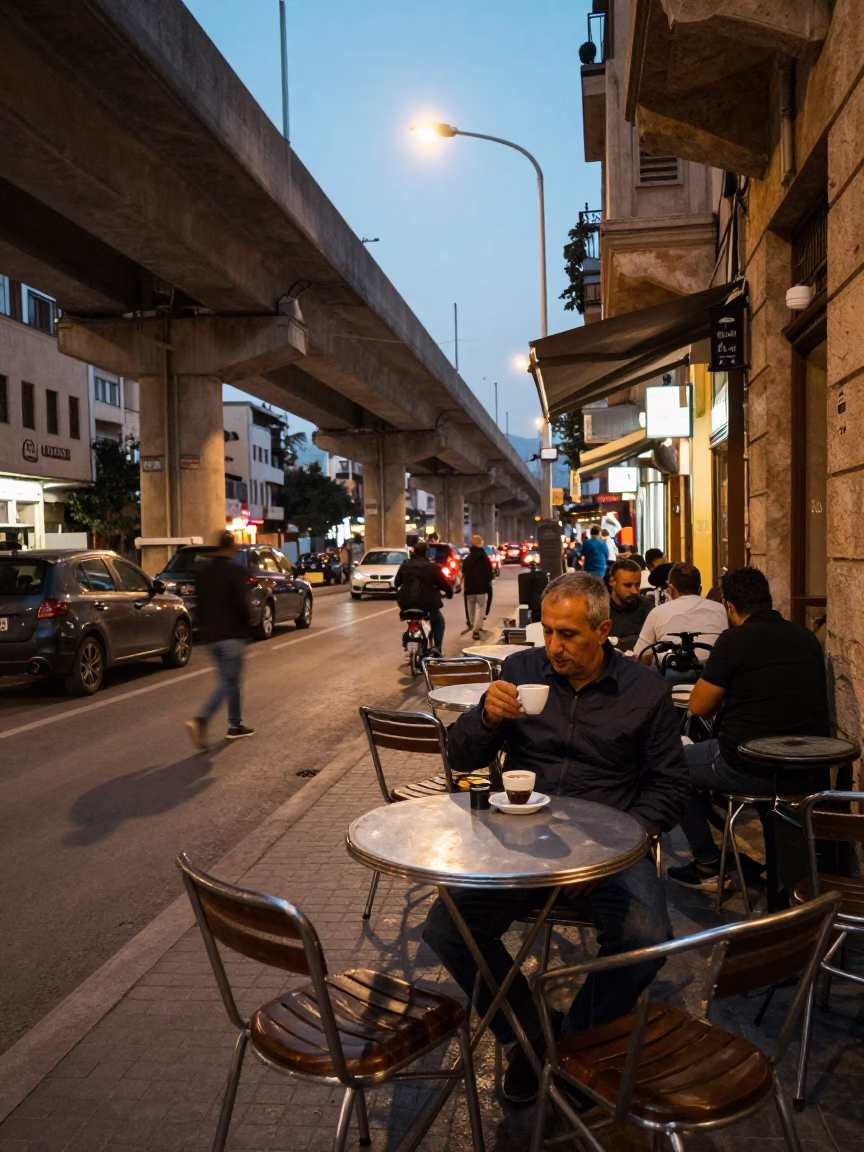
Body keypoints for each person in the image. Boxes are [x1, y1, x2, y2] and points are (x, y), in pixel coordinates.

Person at [423, 571, 690, 1106]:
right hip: (518, 838)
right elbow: (460, 757)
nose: (554, 647)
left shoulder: (644, 692)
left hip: (609, 845)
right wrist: (485, 717)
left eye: (568, 634)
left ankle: (575, 1042)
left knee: (645, 939)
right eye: (547, 632)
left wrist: (608, 854)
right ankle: (529, 1034)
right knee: (447, 927)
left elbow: (669, 786)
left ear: (603, 630)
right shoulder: (520, 671)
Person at [667, 567, 831, 892]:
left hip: (750, 766)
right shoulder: (805, 637)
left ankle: (708, 864)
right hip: (804, 768)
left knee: (672, 765)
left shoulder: (735, 640)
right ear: (767, 599)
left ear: (730, 606)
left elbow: (699, 706)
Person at [186, 531, 254, 749]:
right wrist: (246, 628)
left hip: (211, 636)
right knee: (229, 682)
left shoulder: (203, 571)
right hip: (231, 635)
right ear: (231, 548)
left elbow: (199, 603)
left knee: (229, 680)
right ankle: (201, 720)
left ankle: (235, 725)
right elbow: (240, 604)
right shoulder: (236, 570)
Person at [634, 562, 728, 661]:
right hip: (714, 673)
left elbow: (640, 655)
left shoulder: (658, 612)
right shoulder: (720, 609)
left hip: (670, 673)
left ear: (671, 590)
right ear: (700, 589)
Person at [394, 539, 453, 653]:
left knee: (412, 618)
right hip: (427, 605)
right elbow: (443, 584)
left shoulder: (405, 565)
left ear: (414, 551)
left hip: (406, 603)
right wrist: (449, 593)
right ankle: (438, 649)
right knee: (438, 621)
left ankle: (409, 636)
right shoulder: (432, 567)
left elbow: (396, 583)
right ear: (426, 552)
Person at [607, 558, 654, 651]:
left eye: (638, 584)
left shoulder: (648, 609)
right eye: (628, 585)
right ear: (612, 582)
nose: (635, 591)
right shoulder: (600, 611)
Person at [462, 534, 494, 640]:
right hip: (482, 589)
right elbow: (490, 574)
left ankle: (473, 625)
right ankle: (476, 629)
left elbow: (463, 571)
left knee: (471, 609)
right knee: (481, 609)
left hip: (469, 588)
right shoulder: (484, 558)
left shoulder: (468, 558)